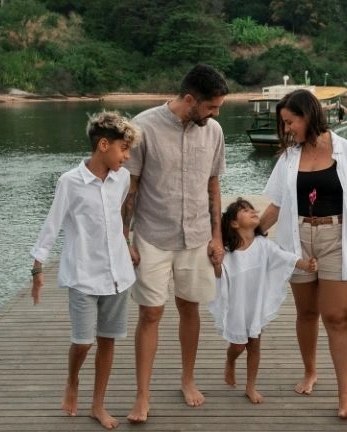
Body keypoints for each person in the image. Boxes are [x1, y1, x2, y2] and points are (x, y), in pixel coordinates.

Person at [258, 89, 347, 419]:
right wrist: (250, 236)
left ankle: (345, 395)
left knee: (336, 316)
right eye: (284, 123)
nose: (287, 129)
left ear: (308, 115)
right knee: (306, 313)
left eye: (290, 121)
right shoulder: (288, 158)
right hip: (297, 239)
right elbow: (276, 206)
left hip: (336, 238)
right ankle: (310, 371)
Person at [121, 64, 229, 423]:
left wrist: (217, 236)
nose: (216, 114)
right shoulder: (144, 127)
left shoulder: (213, 131)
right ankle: (142, 395)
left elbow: (213, 185)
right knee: (150, 313)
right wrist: (124, 238)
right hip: (152, 235)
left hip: (197, 236)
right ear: (190, 99)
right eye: (211, 107)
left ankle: (187, 379)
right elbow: (130, 189)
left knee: (189, 306)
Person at [29, 111, 142, 429]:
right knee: (83, 342)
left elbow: (118, 216)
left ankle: (97, 405)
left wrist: (127, 243)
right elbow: (52, 224)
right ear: (104, 145)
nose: (126, 156)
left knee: (108, 339)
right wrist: (37, 269)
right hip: (83, 275)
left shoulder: (122, 178)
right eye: (123, 148)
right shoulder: (70, 182)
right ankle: (72, 380)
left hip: (118, 274)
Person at [208, 198, 317, 404]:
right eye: (245, 210)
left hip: (255, 304)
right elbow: (219, 274)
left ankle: (250, 386)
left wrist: (304, 264)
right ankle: (230, 360)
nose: (252, 211)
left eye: (252, 209)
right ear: (234, 223)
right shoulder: (229, 252)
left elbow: (285, 257)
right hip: (236, 306)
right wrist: (215, 262)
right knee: (238, 346)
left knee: (254, 345)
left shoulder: (264, 245)